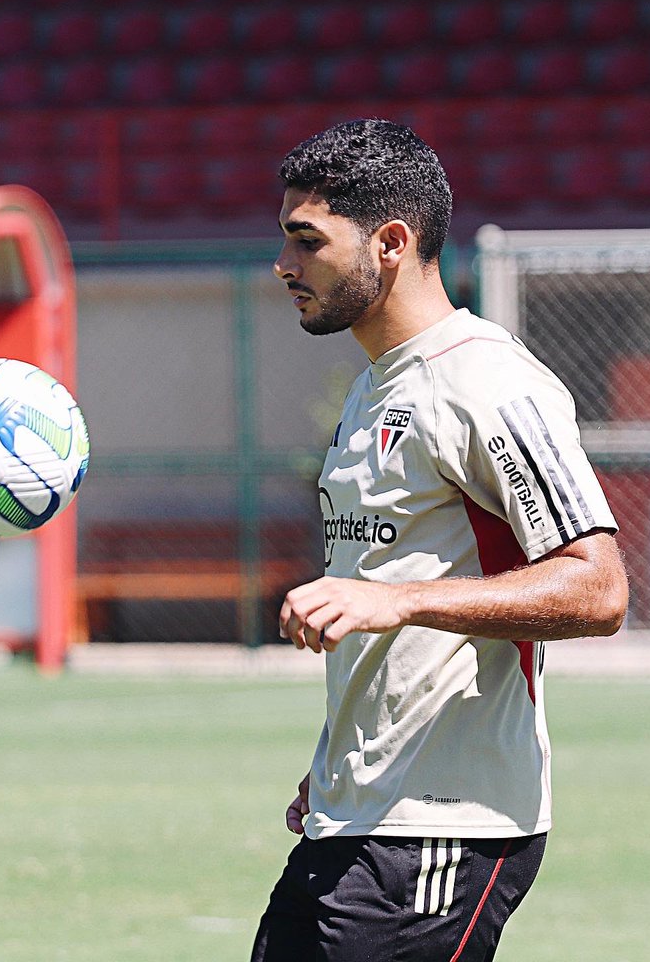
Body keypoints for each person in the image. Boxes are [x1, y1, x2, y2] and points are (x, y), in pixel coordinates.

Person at [251, 118, 628, 962]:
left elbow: (598, 588)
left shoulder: (485, 380)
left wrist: (398, 601)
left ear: (390, 242)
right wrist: (343, 759)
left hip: (442, 831)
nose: (283, 266)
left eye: (306, 242)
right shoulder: (373, 390)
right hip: (358, 811)